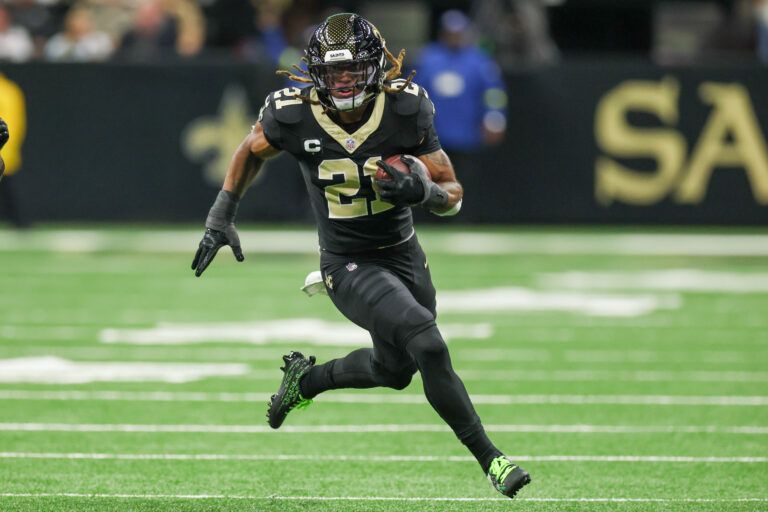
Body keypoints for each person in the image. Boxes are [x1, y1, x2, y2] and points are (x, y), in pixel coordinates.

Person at [190, 13, 531, 499]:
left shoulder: (405, 109)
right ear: (315, 73)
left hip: (403, 253)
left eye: (353, 70)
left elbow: (453, 193)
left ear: (376, 68)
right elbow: (250, 148)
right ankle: (492, 460)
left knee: (395, 371)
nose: (344, 81)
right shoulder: (293, 113)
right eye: (333, 73)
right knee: (428, 343)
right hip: (347, 263)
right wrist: (222, 214)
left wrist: (423, 191)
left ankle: (305, 383)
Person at [0, 72, 27, 227]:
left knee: (8, 187)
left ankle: (20, 221)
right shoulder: (11, 91)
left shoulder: (7, 92)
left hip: (5, 149)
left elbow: (10, 124)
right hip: (7, 148)